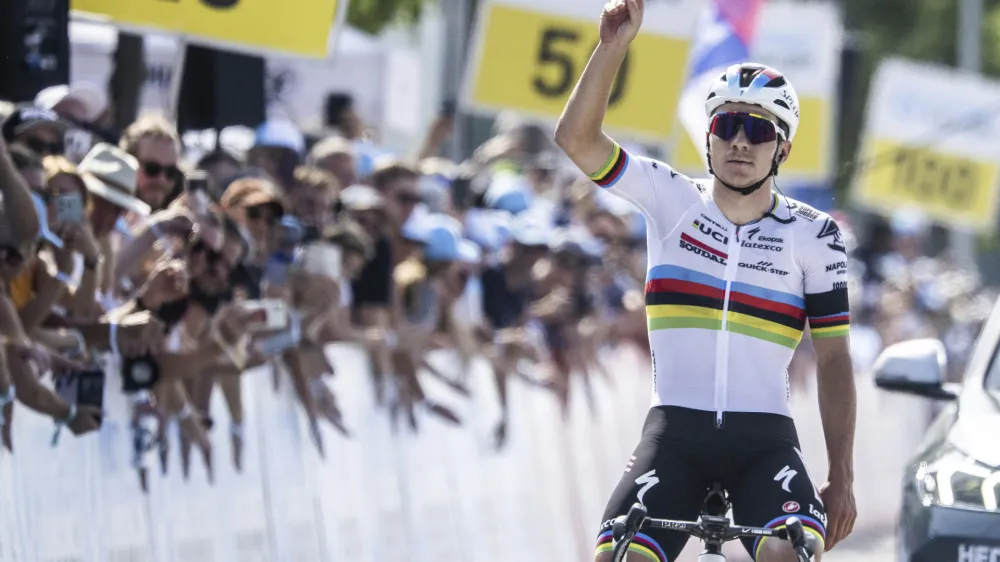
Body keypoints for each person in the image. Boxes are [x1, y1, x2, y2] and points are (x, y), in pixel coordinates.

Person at [553, 1, 857, 561]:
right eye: (727, 125)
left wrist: (843, 475)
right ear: (710, 137)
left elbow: (835, 358)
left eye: (758, 129)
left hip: (764, 444)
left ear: (782, 148)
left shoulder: (815, 235)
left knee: (787, 553)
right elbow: (577, 141)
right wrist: (612, 48)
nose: (741, 141)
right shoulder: (670, 197)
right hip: (674, 437)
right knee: (618, 556)